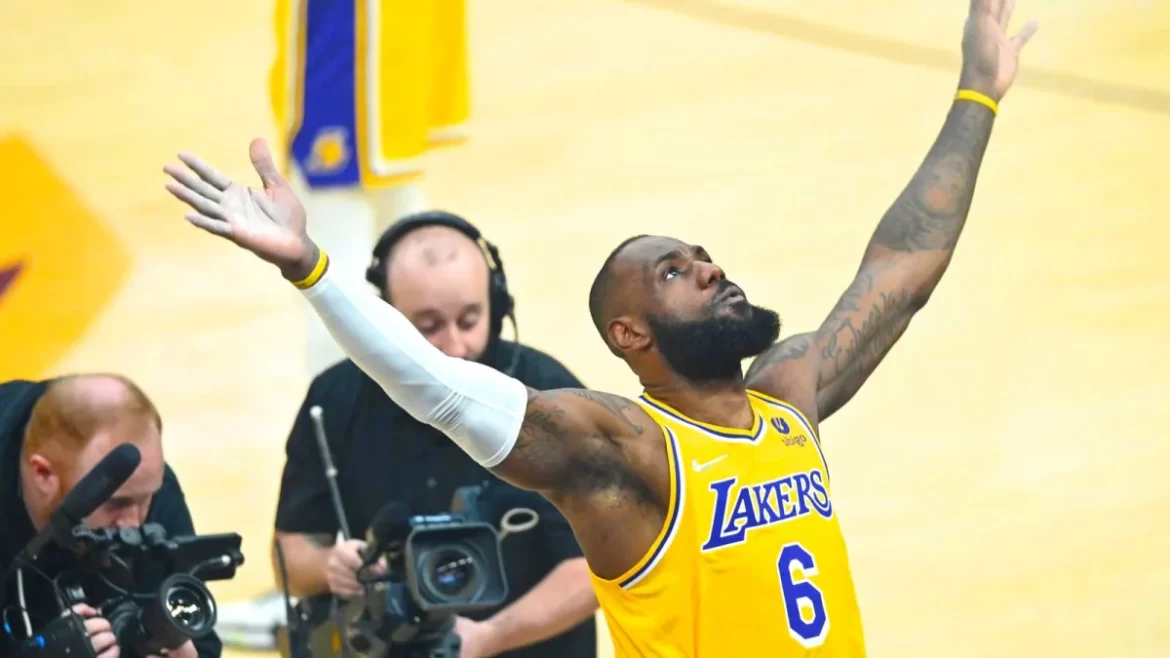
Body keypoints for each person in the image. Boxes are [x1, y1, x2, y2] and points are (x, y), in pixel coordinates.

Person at [163, 1, 1037, 654]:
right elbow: (443, 390)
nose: (708, 267)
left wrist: (978, 94)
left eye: (701, 255)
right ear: (631, 337)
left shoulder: (788, 400)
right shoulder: (626, 455)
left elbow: (901, 267)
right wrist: (310, 269)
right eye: (673, 271)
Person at [270, 213, 598, 658]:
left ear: (497, 304)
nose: (454, 348)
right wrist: (329, 565)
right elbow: (289, 554)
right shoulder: (334, 397)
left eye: (469, 320)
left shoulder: (548, 398)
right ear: (386, 314)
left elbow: (599, 567)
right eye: (427, 327)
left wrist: (489, 637)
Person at [268, 0, 471, 375]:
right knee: (341, 282)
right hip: (351, 80)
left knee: (383, 275)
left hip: (385, 79)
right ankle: (338, 416)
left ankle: (400, 411)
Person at [0, 374, 221, 658]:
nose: (134, 522)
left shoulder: (143, 487)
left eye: (147, 498)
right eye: (116, 503)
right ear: (43, 474)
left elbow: (200, 640)